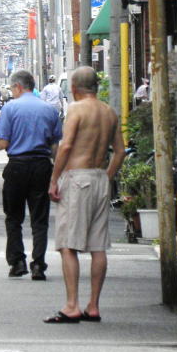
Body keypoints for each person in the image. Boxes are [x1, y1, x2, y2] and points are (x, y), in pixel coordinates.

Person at [44, 66, 125, 324]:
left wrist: (55, 179)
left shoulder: (76, 109)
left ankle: (71, 306)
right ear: (96, 87)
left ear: (75, 88)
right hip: (100, 177)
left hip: (77, 179)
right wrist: (107, 176)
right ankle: (93, 306)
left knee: (68, 244)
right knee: (98, 246)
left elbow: (66, 145)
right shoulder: (109, 112)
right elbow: (120, 152)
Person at [0, 70, 62, 280]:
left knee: (14, 217)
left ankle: (17, 262)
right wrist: (56, 175)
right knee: (39, 219)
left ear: (17, 87)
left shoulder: (11, 108)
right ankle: (38, 265)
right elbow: (55, 147)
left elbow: (3, 143)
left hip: (17, 166)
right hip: (42, 166)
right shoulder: (49, 110)